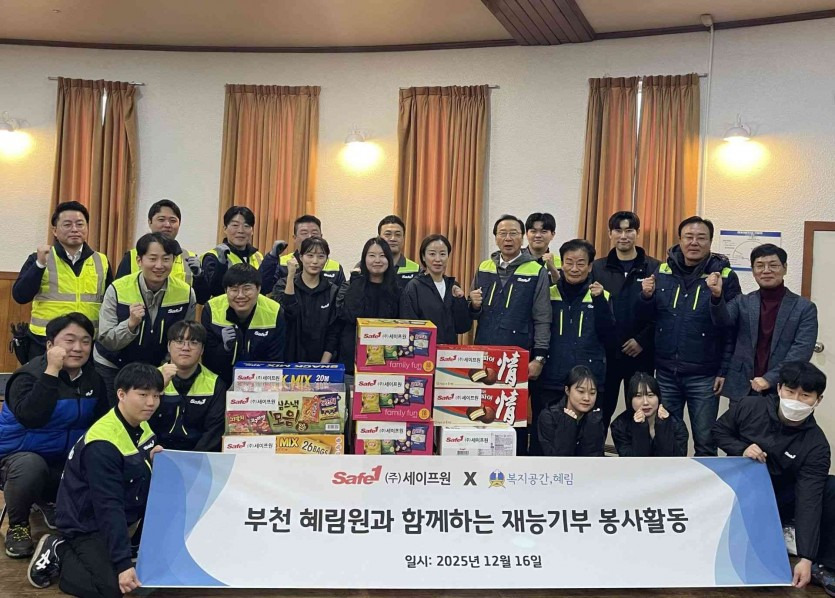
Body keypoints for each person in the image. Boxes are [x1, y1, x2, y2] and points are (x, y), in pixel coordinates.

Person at [27, 363, 167, 597]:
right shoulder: (102, 445)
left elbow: (130, 464)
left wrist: (149, 459)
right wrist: (123, 565)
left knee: (152, 577)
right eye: (143, 395)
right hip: (86, 522)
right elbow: (107, 506)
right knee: (112, 589)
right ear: (121, 394)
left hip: (125, 513)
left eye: (156, 395)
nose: (151, 402)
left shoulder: (139, 422)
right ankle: (60, 549)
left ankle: (127, 548)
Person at [713, 361, 835, 594]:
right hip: (739, 491)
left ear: (817, 400)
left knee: (831, 487)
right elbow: (719, 431)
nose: (796, 400)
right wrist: (741, 448)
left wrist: (806, 557)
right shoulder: (749, 407)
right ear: (779, 388)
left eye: (805, 396)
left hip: (781, 498)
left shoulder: (816, 445)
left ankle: (823, 564)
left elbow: (808, 499)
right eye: (790, 391)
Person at [0, 314, 107, 559]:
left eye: (85, 341)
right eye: (69, 340)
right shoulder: (27, 376)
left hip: (63, 459)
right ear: (50, 345)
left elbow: (102, 424)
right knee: (31, 466)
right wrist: (51, 372)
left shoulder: (93, 379)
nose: (78, 348)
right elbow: (32, 417)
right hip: (16, 459)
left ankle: (56, 505)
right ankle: (18, 526)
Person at [640, 216, 742, 456]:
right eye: (689, 237)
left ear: (710, 242)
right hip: (666, 372)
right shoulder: (662, 271)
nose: (694, 242)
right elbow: (649, 318)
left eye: (701, 237)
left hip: (705, 376)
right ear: (680, 240)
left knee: (705, 441)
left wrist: (723, 370)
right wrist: (645, 297)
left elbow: (730, 327)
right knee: (667, 438)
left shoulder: (725, 275)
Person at [471, 214, 551, 455]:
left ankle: (515, 464)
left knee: (513, 413)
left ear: (522, 237)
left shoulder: (536, 270)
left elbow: (543, 317)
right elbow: (474, 311)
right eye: (502, 233)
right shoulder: (484, 267)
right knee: (484, 410)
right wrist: (472, 304)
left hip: (517, 357)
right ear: (495, 238)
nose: (508, 238)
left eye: (513, 233)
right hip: (485, 352)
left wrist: (539, 358)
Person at [532, 239, 615, 455]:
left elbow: (608, 336)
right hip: (551, 379)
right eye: (569, 262)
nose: (574, 268)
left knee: (589, 443)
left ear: (590, 266)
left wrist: (599, 301)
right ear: (562, 264)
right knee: (545, 442)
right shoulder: (548, 293)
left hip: (588, 382)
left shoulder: (601, 296)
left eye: (580, 263)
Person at [93, 233, 196, 405]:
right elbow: (107, 340)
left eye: (166, 259)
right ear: (139, 261)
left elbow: (182, 339)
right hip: (113, 365)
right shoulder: (117, 289)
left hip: (156, 368)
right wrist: (130, 325)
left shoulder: (186, 293)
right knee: (117, 415)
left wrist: (163, 368)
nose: (159, 265)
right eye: (153, 259)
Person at [710, 244, 818, 403]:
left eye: (773, 265)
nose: (766, 270)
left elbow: (801, 351)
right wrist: (717, 296)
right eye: (760, 266)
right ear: (753, 271)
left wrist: (770, 378)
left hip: (783, 388)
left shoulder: (804, 308)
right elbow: (721, 322)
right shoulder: (742, 301)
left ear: (785, 268)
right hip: (743, 388)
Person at [13, 201, 112, 362]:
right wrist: (39, 265)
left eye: (80, 224)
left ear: (87, 228)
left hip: (86, 343)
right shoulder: (39, 258)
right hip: (45, 341)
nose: (74, 229)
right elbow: (20, 296)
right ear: (55, 230)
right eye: (67, 224)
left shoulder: (101, 261)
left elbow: (110, 303)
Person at [592, 211, 661, 428]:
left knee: (641, 413)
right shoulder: (597, 268)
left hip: (641, 354)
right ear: (610, 233)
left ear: (637, 233)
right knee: (600, 412)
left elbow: (662, 312)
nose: (624, 236)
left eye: (629, 230)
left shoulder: (654, 267)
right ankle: (595, 449)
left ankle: (637, 449)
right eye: (618, 230)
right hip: (607, 355)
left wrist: (642, 340)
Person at [202, 264, 286, 386]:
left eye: (247, 289)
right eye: (234, 290)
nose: (240, 295)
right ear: (226, 290)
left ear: (258, 289)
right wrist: (224, 349)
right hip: (219, 382)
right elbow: (208, 361)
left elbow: (275, 361)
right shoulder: (211, 308)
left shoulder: (274, 311)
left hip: (261, 383)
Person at [114, 199, 209, 303]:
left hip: (176, 312)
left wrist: (199, 275)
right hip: (137, 312)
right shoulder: (132, 256)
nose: (167, 225)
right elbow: (117, 293)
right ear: (150, 222)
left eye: (173, 221)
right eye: (161, 219)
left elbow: (202, 299)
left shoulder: (190, 258)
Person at [151, 321, 226, 452]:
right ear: (168, 346)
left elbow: (214, 432)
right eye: (179, 341)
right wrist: (158, 389)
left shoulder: (215, 384)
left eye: (194, 342)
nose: (186, 348)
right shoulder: (150, 379)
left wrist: (193, 459)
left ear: (202, 350)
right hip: (155, 454)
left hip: (199, 457)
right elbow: (139, 421)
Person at [336, 237, 400, 376]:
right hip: (353, 362)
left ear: (389, 259)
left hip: (386, 361)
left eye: (382, 255)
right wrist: (356, 282)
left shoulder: (397, 289)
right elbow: (350, 316)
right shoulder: (352, 285)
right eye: (372, 255)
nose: (377, 260)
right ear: (364, 259)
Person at [272, 237, 341, 363]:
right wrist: (290, 276)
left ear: (326, 260)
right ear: (301, 257)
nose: (315, 261)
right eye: (310, 255)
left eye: (321, 256)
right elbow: (289, 313)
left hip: (320, 361)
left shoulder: (332, 291)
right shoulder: (283, 285)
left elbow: (333, 332)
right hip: (287, 359)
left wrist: (322, 366)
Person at [399, 234, 471, 344]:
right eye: (432, 254)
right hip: (423, 350)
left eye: (442, 254)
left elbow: (463, 327)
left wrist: (460, 300)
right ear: (423, 256)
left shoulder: (453, 286)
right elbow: (408, 326)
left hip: (449, 351)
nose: (438, 259)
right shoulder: (414, 287)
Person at [259, 214, 346, 295]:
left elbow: (341, 297)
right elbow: (263, 287)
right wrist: (272, 257)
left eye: (314, 233)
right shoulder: (281, 262)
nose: (310, 236)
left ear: (321, 236)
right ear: (294, 238)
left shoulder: (335, 267)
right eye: (304, 233)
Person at [611, 372, 689, 457]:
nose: (645, 402)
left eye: (650, 395)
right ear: (630, 400)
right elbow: (632, 461)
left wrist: (663, 427)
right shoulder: (619, 426)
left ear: (659, 398)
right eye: (638, 396)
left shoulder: (676, 424)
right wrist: (640, 428)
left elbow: (677, 460)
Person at [537, 365, 605, 457]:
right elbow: (556, 457)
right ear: (567, 390)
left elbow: (594, 458)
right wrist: (568, 424)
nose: (587, 398)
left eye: (592, 393)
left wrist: (592, 425)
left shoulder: (594, 417)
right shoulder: (549, 416)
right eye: (581, 391)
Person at [202, 206, 264, 298]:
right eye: (235, 225)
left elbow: (264, 288)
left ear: (252, 231)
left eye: (246, 226)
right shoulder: (213, 256)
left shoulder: (258, 256)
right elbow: (213, 290)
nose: (241, 231)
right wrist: (221, 265)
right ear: (225, 229)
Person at [377, 215, 421, 289]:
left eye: (398, 235)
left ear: (403, 238)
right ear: (379, 238)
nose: (393, 238)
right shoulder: (368, 266)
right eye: (388, 234)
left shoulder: (416, 270)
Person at [524, 212, 561, 283]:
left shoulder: (561, 264)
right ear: (526, 234)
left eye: (543, 231)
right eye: (533, 231)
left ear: (552, 235)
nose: (538, 235)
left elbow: (563, 288)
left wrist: (553, 270)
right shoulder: (516, 260)